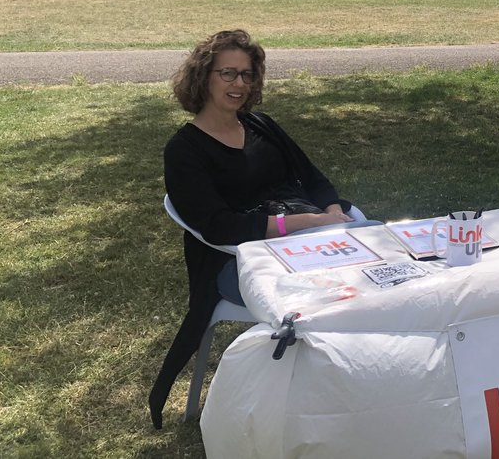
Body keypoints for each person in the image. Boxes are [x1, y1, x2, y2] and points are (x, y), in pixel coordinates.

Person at [150, 29, 358, 428]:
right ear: (203, 76)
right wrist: (310, 222)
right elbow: (219, 226)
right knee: (345, 290)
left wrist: (333, 212)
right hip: (235, 265)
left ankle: (354, 389)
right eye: (228, 74)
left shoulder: (261, 125)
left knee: (382, 263)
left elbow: (312, 178)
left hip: (312, 239)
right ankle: (318, 406)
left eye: (247, 75)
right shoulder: (185, 149)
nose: (239, 85)